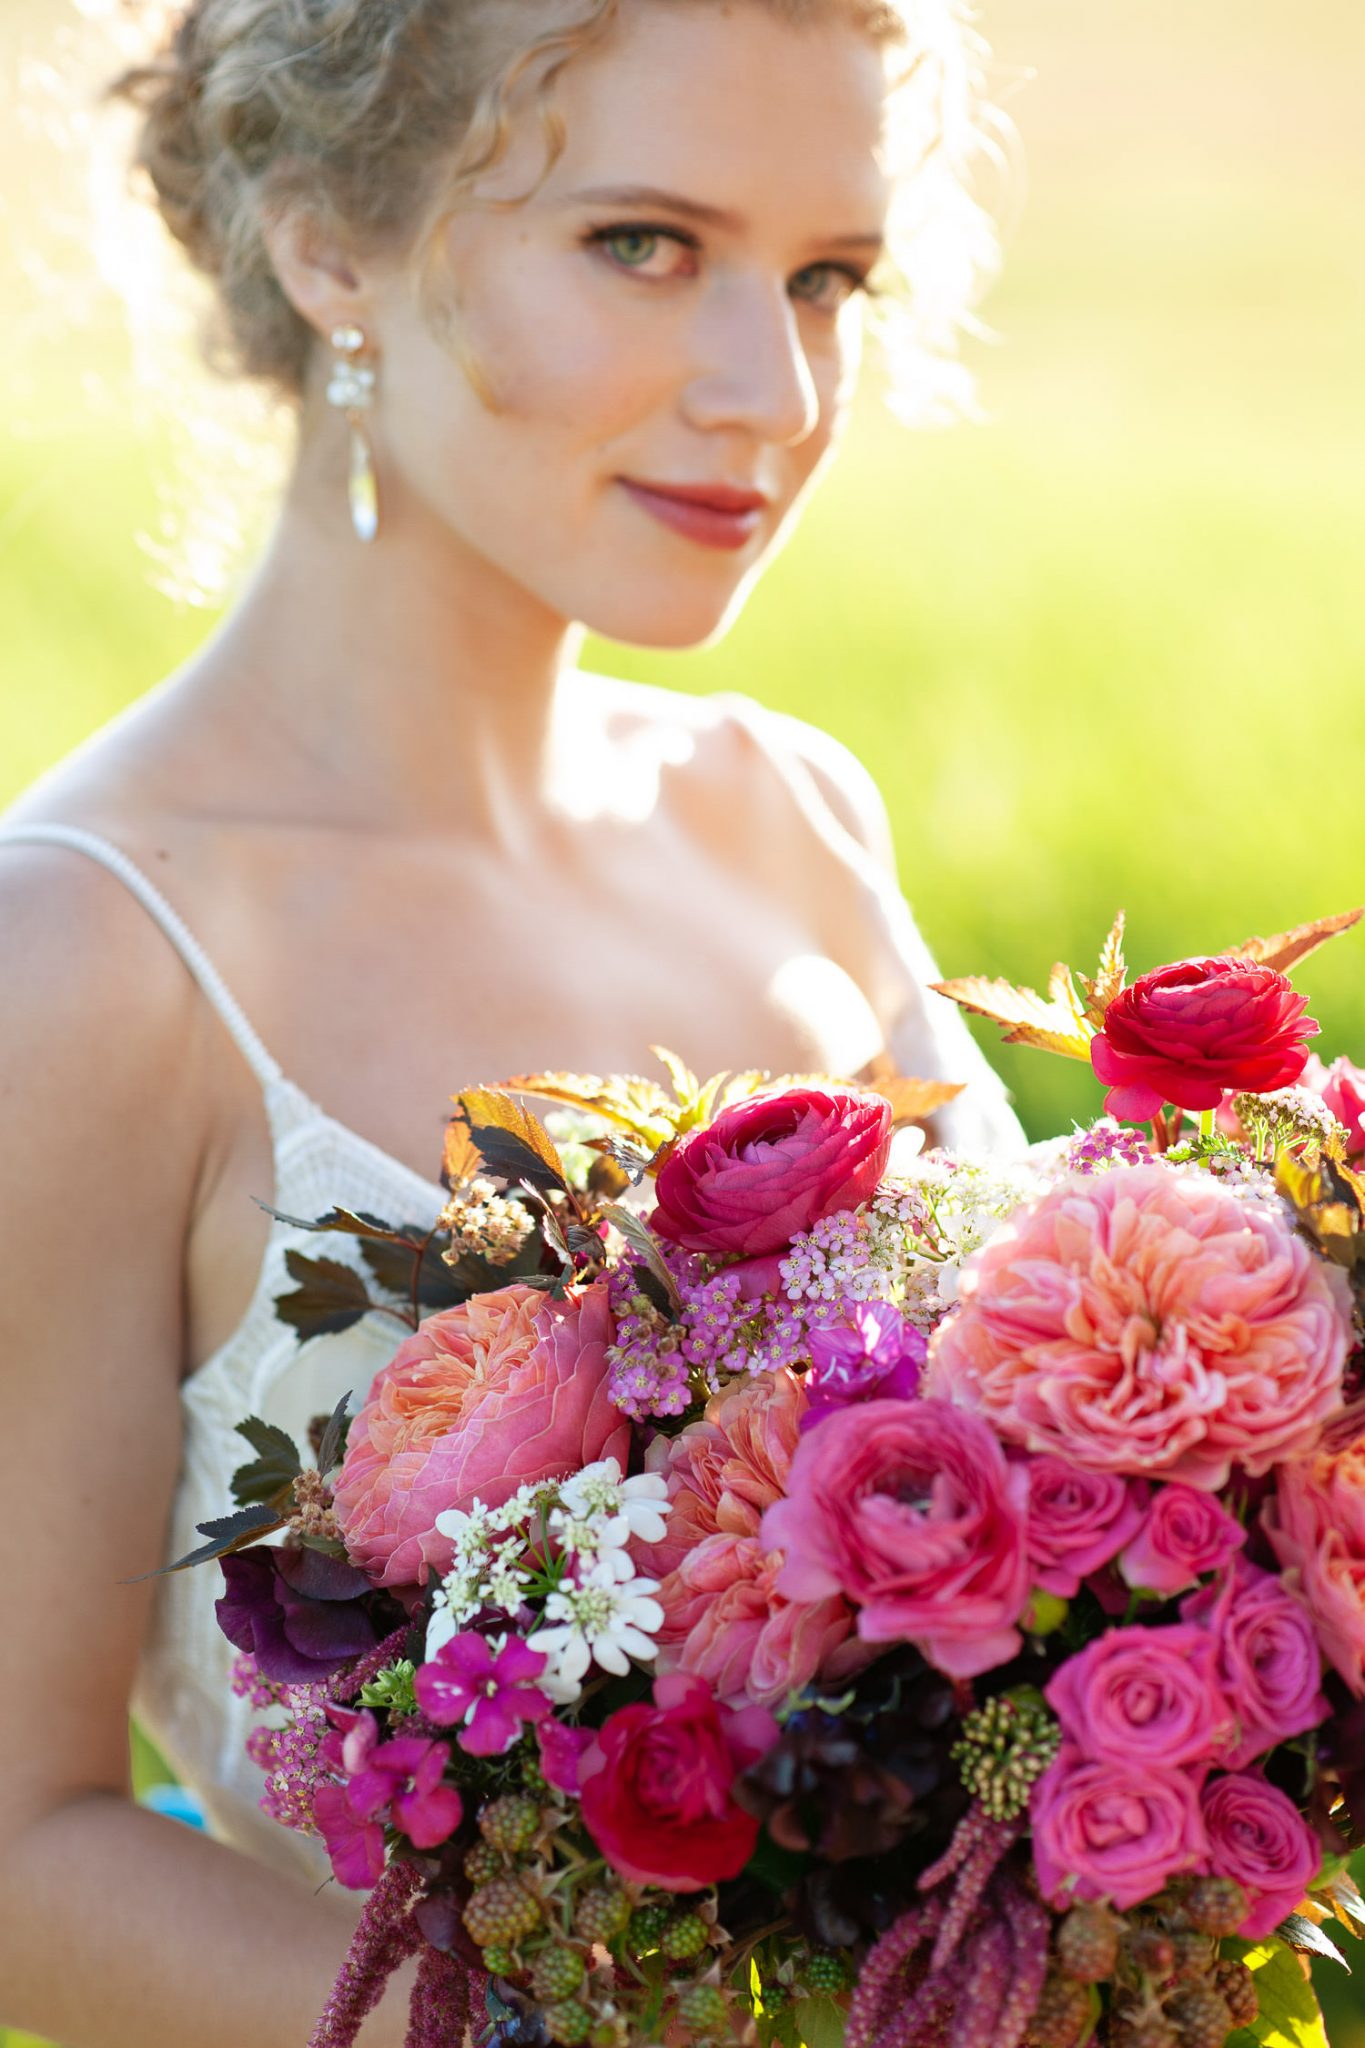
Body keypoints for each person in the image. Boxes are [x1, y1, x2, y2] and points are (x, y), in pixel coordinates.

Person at [0, 0, 1021, 2041]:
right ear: (327, 247)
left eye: (826, 276)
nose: (774, 389)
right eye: (643, 242)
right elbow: (18, 1847)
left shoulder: (788, 812)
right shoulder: (91, 965)